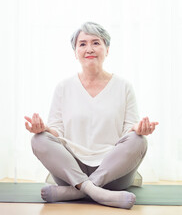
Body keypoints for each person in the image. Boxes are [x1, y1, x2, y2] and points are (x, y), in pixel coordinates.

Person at [24, 22, 159, 209]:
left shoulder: (124, 86)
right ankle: (95, 191)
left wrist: (137, 129)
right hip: (71, 170)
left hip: (113, 172)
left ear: (107, 49)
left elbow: (129, 130)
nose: (89, 49)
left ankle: (76, 192)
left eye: (96, 43)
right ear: (75, 52)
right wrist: (44, 129)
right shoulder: (63, 87)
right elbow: (56, 131)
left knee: (139, 140)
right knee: (39, 139)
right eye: (82, 44)